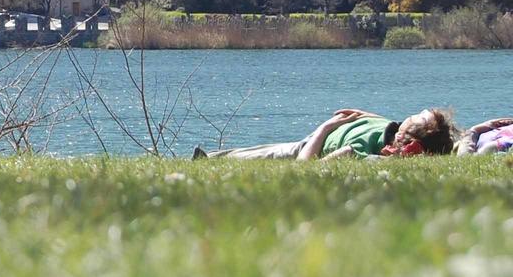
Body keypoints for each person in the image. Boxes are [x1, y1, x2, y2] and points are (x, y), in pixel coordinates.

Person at [193, 108, 455, 160]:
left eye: (420, 116)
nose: (418, 110)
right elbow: (383, 122)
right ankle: (211, 157)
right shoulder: (392, 129)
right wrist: (363, 114)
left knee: (266, 154)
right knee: (258, 149)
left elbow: (304, 165)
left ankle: (209, 160)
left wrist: (325, 128)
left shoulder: (365, 150)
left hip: (311, 145)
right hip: (319, 136)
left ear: (405, 137)